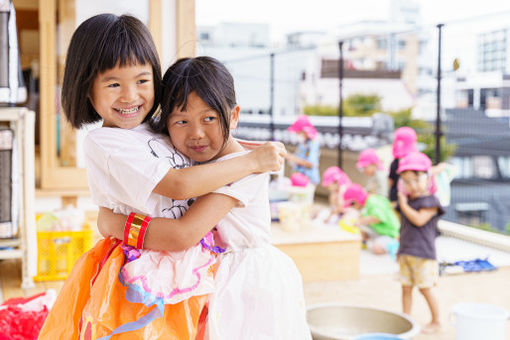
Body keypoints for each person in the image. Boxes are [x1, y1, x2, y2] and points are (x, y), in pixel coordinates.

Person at [38, 14, 286, 339]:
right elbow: (180, 186)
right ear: (86, 87)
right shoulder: (107, 140)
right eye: (114, 84)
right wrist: (253, 160)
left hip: (188, 262)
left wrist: (253, 152)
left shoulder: (154, 130)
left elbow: (203, 157)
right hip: (147, 262)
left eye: (142, 81)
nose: (130, 96)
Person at [98, 56, 312, 339]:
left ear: (233, 116)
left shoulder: (244, 169)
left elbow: (183, 233)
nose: (196, 134)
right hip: (213, 277)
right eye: (182, 121)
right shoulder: (195, 161)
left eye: (209, 118)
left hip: (244, 285)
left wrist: (113, 223)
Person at [396, 152, 444, 334]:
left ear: (427, 178)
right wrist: (400, 250)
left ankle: (436, 321)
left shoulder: (430, 201)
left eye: (416, 180)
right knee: (406, 288)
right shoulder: (409, 200)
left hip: (423, 254)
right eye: (407, 182)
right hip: (407, 252)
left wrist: (404, 205)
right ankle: (405, 318)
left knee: (425, 288)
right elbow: (406, 227)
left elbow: (418, 220)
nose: (412, 186)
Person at [343, 183, 400, 255]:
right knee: (359, 229)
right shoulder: (364, 206)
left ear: (356, 200)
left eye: (352, 205)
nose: (353, 208)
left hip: (390, 234)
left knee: (376, 248)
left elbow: (378, 217)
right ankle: (367, 241)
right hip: (379, 232)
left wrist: (360, 221)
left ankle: (395, 244)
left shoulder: (372, 201)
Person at [285, 114, 321, 185]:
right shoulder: (303, 142)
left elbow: (311, 163)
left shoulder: (313, 143)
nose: (297, 134)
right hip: (299, 178)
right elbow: (298, 156)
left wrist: (291, 157)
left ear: (304, 131)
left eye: (298, 132)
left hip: (308, 179)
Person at [388, 127, 417, 206]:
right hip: (410, 198)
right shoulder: (415, 161)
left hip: (395, 196)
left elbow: (390, 182)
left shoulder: (395, 162)